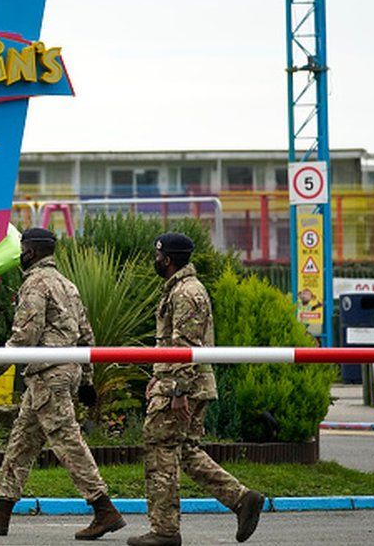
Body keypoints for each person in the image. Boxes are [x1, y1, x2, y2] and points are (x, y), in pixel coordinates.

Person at [0, 228, 126, 540]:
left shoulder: (35, 284)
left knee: (67, 442)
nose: (21, 254)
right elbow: (85, 334)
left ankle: (104, 509)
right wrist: (88, 380)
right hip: (57, 373)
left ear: (32, 252)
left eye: (23, 249)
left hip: (49, 376)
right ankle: (2, 510)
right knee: (21, 443)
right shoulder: (68, 285)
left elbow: (27, 334)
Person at [126, 233, 264, 546]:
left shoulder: (186, 292)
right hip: (182, 382)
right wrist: (158, 376)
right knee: (186, 451)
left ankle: (164, 531)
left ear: (168, 258)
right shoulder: (181, 288)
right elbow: (171, 346)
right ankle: (242, 499)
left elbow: (185, 346)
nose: (155, 260)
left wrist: (176, 390)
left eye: (158, 255)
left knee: (160, 451)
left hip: (183, 386)